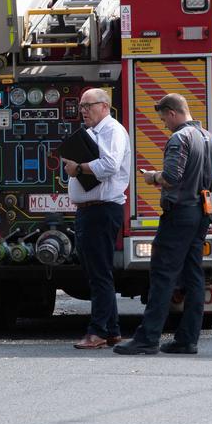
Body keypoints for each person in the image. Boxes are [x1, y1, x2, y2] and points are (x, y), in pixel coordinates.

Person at [113, 94, 212, 355]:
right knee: (194, 276)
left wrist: (151, 177)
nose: (164, 125)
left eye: (163, 119)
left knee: (162, 275)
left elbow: (172, 177)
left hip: (179, 213)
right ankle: (187, 339)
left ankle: (147, 338)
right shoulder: (210, 139)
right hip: (201, 212)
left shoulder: (179, 138)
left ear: (172, 113)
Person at [63, 87, 132, 349]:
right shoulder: (93, 133)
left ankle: (98, 331)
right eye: (81, 106)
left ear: (104, 106)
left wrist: (79, 167)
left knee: (99, 274)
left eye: (88, 106)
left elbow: (110, 165)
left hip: (102, 209)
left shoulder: (112, 130)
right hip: (90, 209)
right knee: (96, 272)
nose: (83, 111)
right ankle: (112, 330)